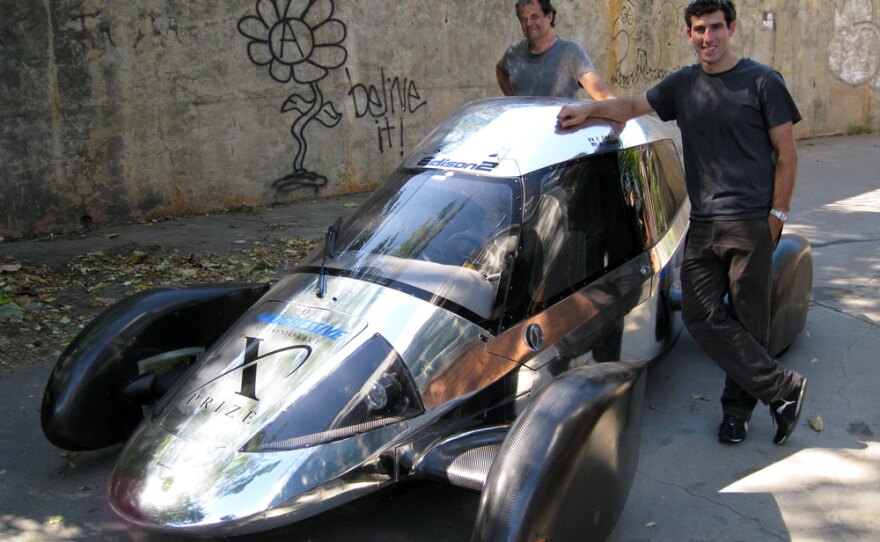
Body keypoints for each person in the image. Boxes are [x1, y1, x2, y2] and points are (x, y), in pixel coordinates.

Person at [557, 0, 807, 445]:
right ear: (690, 35)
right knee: (698, 313)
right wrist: (587, 112)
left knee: (749, 322)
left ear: (731, 28)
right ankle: (782, 388)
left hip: (750, 223)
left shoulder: (763, 82)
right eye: (698, 30)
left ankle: (737, 411)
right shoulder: (683, 85)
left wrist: (777, 217)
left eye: (715, 28)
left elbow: (787, 155)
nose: (707, 38)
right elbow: (632, 105)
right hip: (705, 222)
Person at [496, 0, 615, 100]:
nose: (528, 23)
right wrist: (512, 101)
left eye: (534, 16)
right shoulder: (515, 52)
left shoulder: (570, 52)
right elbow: (500, 70)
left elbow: (603, 95)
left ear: (549, 17)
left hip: (558, 126)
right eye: (523, 18)